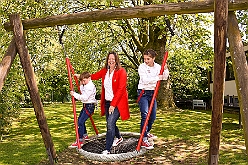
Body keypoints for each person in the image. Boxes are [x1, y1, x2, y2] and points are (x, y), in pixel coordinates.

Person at [90, 51, 130, 155]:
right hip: (107, 102)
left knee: (110, 124)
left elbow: (121, 89)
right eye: (109, 59)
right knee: (111, 123)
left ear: (116, 60)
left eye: (113, 59)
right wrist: (81, 76)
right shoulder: (105, 71)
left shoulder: (121, 71)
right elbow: (93, 76)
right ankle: (119, 137)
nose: (111, 60)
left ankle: (107, 149)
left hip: (117, 103)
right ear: (107, 60)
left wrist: (113, 105)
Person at [137, 49, 169, 149]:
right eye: (145, 59)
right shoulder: (142, 67)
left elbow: (164, 77)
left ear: (153, 58)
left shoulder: (158, 67)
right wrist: (157, 78)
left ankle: (147, 131)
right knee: (145, 115)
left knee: (153, 116)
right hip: (143, 92)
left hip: (152, 93)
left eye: (148, 59)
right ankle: (143, 139)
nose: (146, 61)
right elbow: (145, 80)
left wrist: (166, 69)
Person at [69, 71, 97, 148]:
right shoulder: (86, 84)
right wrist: (80, 79)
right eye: (82, 81)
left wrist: (74, 94)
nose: (83, 82)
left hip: (89, 106)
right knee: (80, 121)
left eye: (84, 80)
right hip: (86, 105)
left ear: (89, 78)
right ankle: (85, 135)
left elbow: (84, 97)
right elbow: (82, 89)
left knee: (80, 122)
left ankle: (80, 140)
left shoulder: (90, 86)